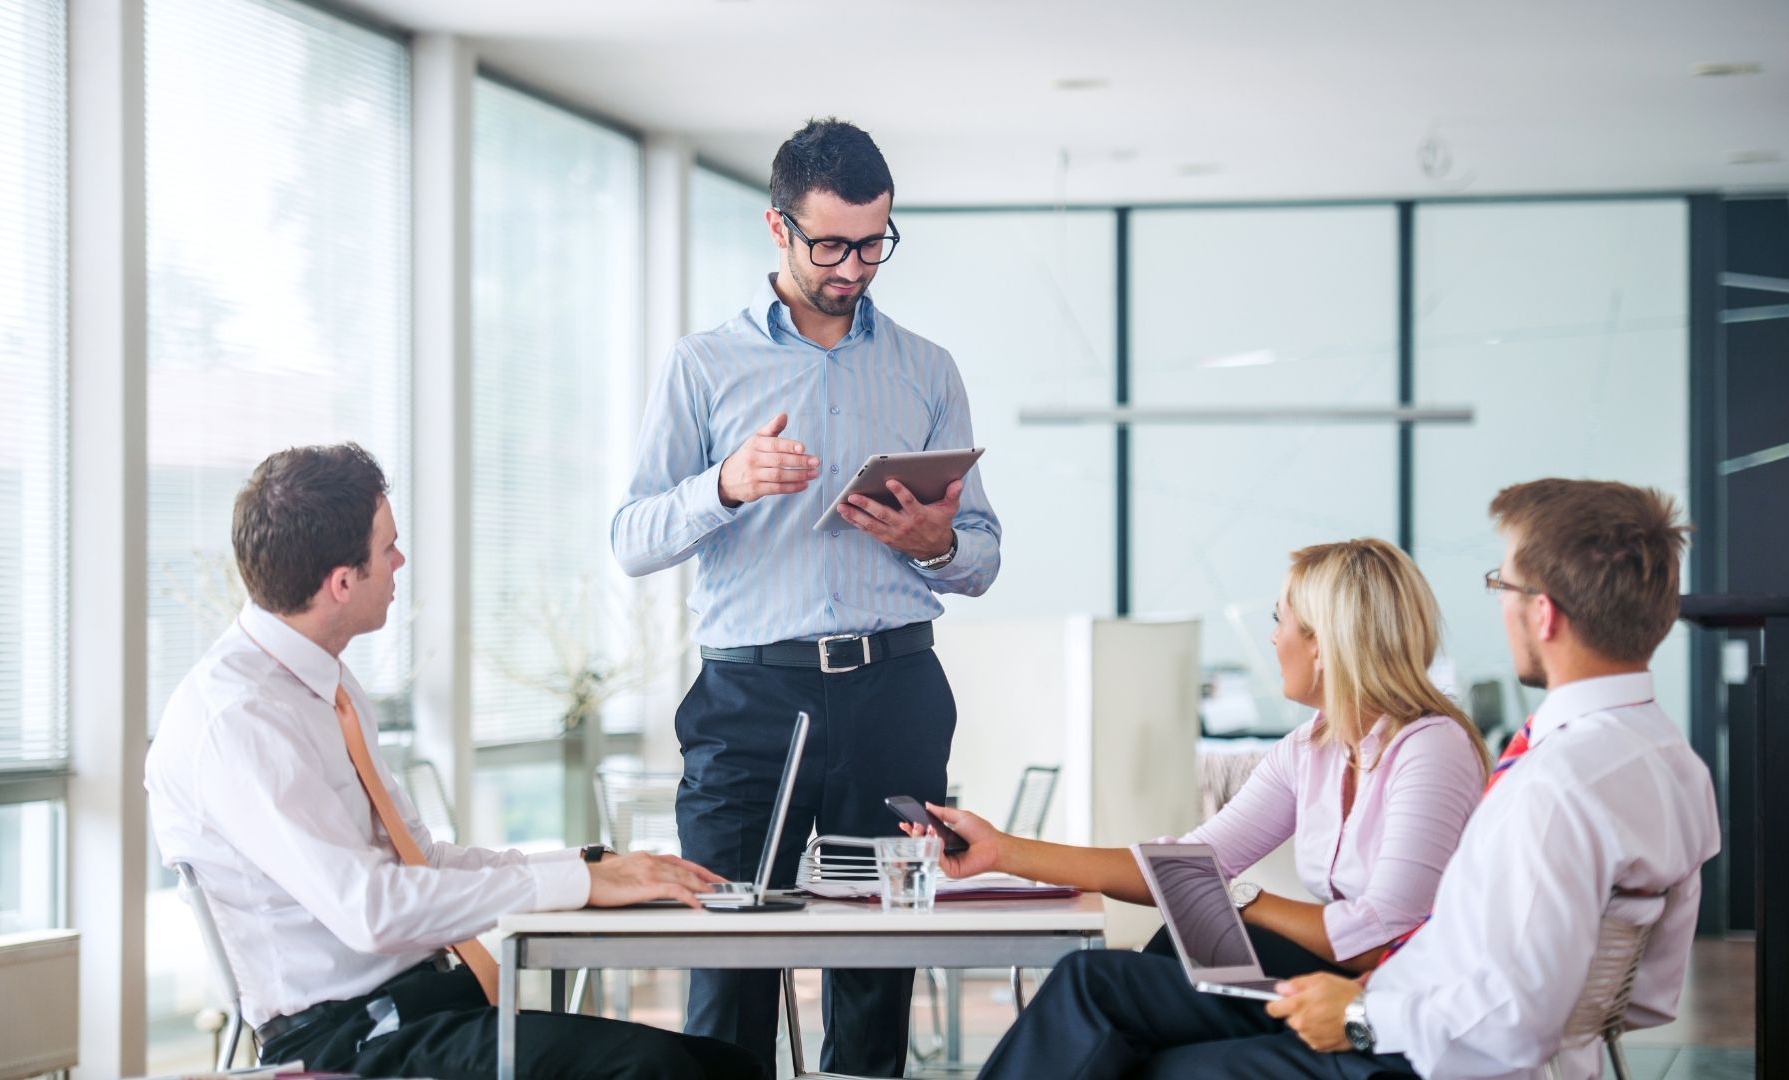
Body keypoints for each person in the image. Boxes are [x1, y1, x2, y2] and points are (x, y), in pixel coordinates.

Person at [971, 479, 1720, 1079]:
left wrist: (1361, 1013)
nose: (1498, 605)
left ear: (1544, 615)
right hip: (1414, 1013)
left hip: (1415, 1040)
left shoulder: (1548, 787)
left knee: (1131, 1033)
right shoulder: (1670, 765)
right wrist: (1005, 851)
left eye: (1502, 583)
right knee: (1132, 1011)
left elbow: (1503, 1011)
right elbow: (1647, 996)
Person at [147, 444, 761, 1080]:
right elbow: (374, 909)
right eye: (388, 548)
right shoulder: (239, 720)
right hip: (348, 1039)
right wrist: (574, 887)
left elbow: (421, 862)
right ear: (342, 582)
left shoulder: (324, 684)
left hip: (421, 1006)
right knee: (650, 1069)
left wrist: (588, 868)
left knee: (726, 1067)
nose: (399, 562)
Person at [610, 117, 1000, 1077]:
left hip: (895, 691)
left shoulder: (927, 368)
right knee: (729, 965)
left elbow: (982, 556)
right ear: (777, 227)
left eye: (874, 243)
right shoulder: (703, 365)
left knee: (879, 970)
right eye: (831, 245)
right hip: (750, 700)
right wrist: (724, 486)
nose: (855, 267)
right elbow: (630, 539)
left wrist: (936, 543)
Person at [920, 538, 1488, 978]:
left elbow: (1379, 940)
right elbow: (1186, 864)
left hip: (1389, 1001)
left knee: (1101, 985)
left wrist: (1242, 899)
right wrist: (1003, 851)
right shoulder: (1311, 748)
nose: (1274, 639)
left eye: (1280, 619)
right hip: (1332, 978)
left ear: (1321, 641)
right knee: (1113, 980)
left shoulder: (1431, 748)